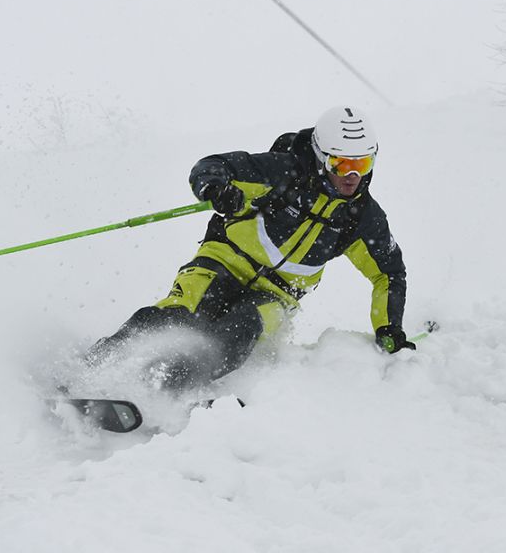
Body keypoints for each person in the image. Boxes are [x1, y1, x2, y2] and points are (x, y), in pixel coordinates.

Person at [86, 106, 414, 390]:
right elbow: (212, 166)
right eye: (341, 164)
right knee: (179, 314)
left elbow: (389, 274)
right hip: (224, 261)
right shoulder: (282, 172)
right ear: (320, 156)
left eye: (363, 164)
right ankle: (92, 366)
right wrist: (216, 189)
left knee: (239, 329)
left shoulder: (361, 217)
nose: (352, 176)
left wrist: (388, 326)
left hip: (278, 295)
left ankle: (165, 387)